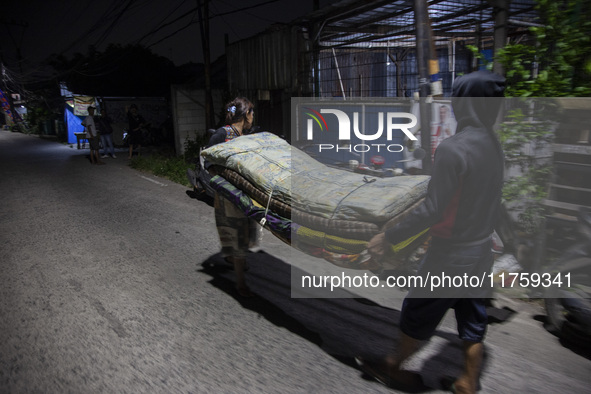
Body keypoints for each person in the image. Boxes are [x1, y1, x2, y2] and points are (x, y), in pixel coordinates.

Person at [356, 70, 506, 394]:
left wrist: (389, 237)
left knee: (418, 310)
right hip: (482, 251)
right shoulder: (495, 148)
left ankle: (392, 366)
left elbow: (432, 209)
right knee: (472, 316)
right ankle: (468, 381)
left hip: (451, 254)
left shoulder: (453, 148)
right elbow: (497, 203)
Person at [205, 97, 256, 297]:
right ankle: (240, 283)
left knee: (243, 230)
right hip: (228, 193)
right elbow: (208, 162)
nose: (253, 117)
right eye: (252, 112)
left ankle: (232, 258)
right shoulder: (222, 134)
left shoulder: (247, 135)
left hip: (244, 192)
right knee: (237, 232)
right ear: (245, 114)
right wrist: (226, 180)